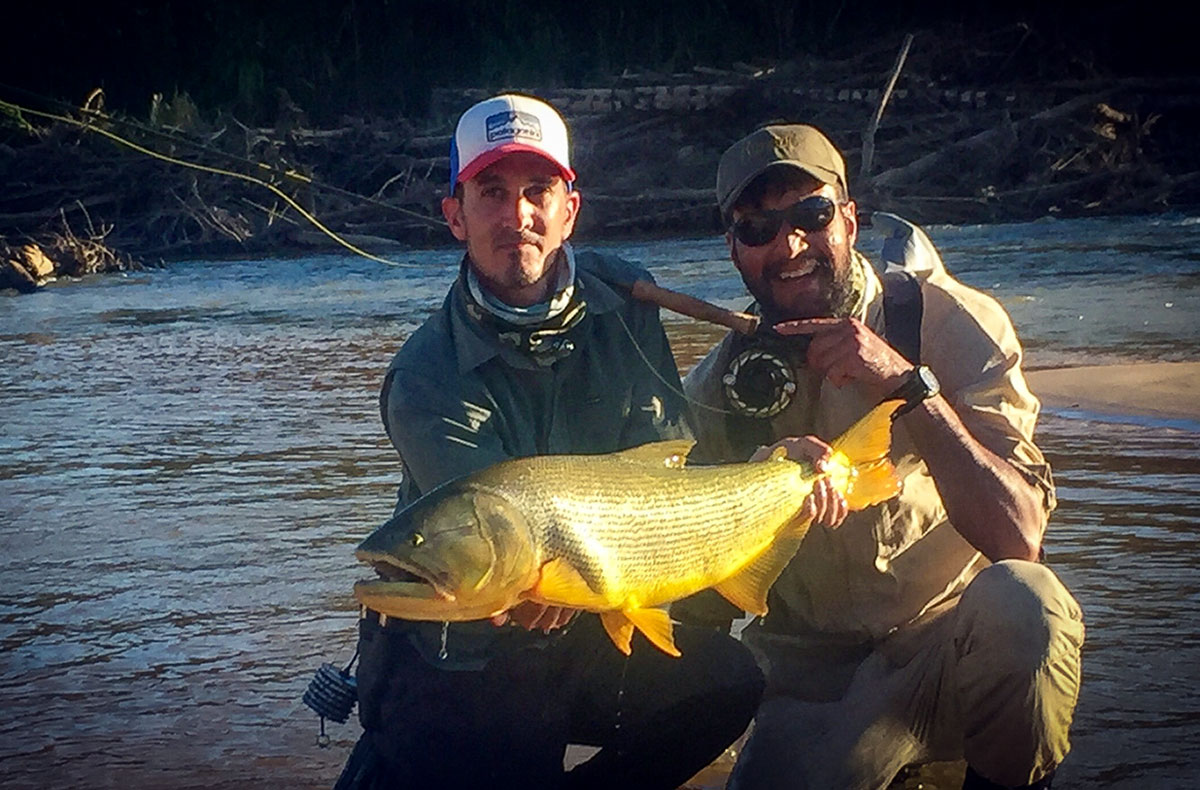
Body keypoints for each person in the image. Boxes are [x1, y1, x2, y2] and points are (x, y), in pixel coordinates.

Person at [333, 93, 764, 790]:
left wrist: (782, 475)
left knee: (727, 681)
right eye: (492, 193)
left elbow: (664, 471)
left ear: (571, 210)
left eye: (538, 192)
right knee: (501, 740)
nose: (517, 217)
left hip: (582, 625)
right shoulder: (423, 377)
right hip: (460, 657)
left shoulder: (628, 309)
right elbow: (505, 551)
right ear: (455, 215)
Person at [675, 124, 1085, 790]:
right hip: (813, 679)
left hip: (951, 645)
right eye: (757, 229)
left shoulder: (953, 323)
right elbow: (703, 611)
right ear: (732, 248)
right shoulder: (713, 389)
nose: (790, 245)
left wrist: (908, 386)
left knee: (1027, 604)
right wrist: (750, 500)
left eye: (811, 214)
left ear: (849, 218)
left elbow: (1021, 535)